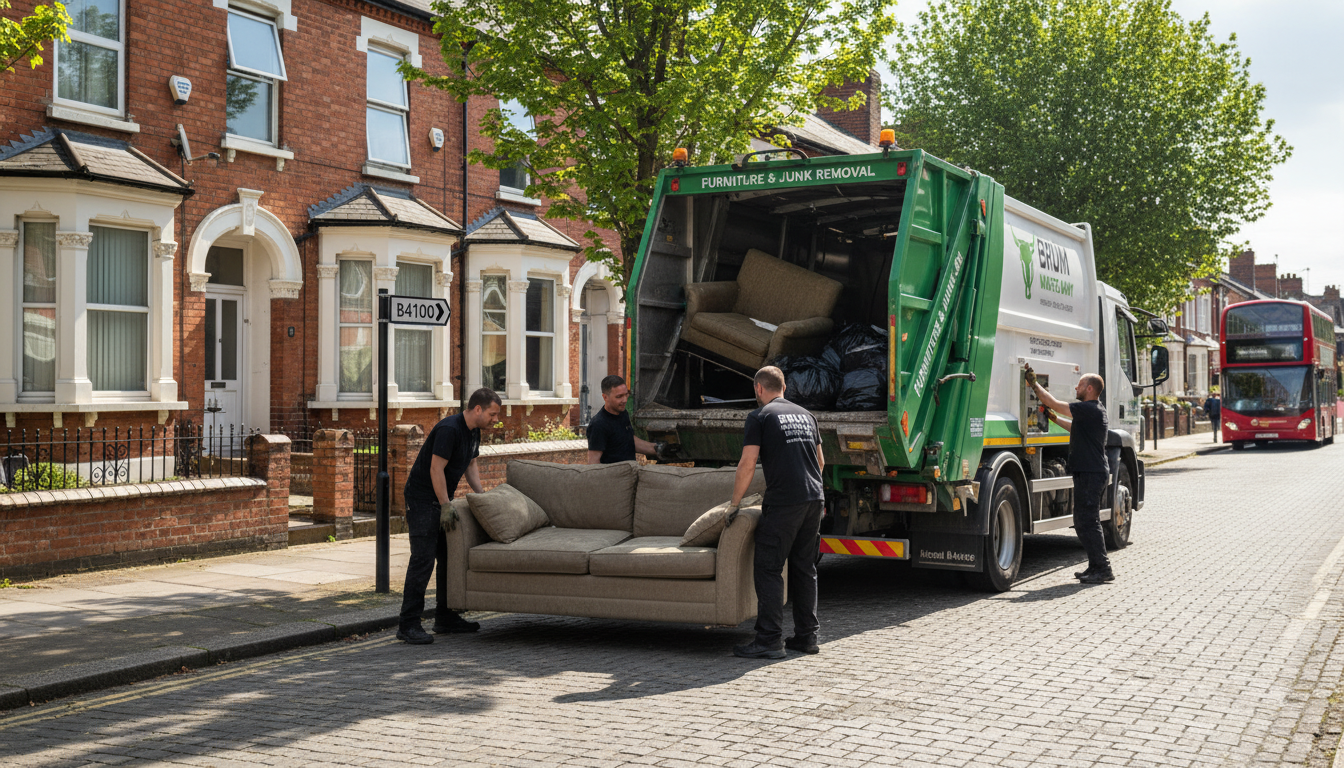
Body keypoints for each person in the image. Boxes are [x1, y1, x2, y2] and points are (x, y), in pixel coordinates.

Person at [729, 366, 825, 659]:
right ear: (784, 387)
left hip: (785, 503)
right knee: (804, 567)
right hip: (814, 498)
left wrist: (734, 504)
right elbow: (821, 461)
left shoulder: (760, 417)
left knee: (769, 567)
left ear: (759, 388)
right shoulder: (806, 415)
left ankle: (769, 640)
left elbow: (747, 464)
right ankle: (807, 637)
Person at [397, 387, 502, 644]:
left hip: (441, 500)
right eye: (493, 413)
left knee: (448, 558)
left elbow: (470, 463)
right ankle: (408, 624)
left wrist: (482, 495)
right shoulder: (450, 429)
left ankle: (445, 618)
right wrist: (445, 505)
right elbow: (436, 468)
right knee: (423, 560)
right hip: (422, 499)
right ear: (477, 409)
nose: (495, 419)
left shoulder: (474, 431)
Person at [1025, 366, 1113, 584]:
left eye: (1080, 384)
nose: (1076, 387)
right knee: (1083, 520)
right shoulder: (1092, 411)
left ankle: (1103, 568)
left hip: (1091, 473)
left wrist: (1034, 384)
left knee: (1088, 521)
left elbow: (1054, 402)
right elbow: (1073, 428)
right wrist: (1053, 419)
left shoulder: (1090, 408)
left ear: (1089, 389)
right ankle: (1095, 566)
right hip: (1089, 472)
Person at [587, 375, 660, 464]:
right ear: (605, 397)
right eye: (619, 396)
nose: (625, 400)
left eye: (626, 394)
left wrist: (657, 448)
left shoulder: (623, 414)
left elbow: (628, 440)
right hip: (612, 476)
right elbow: (593, 462)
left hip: (630, 472)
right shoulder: (598, 424)